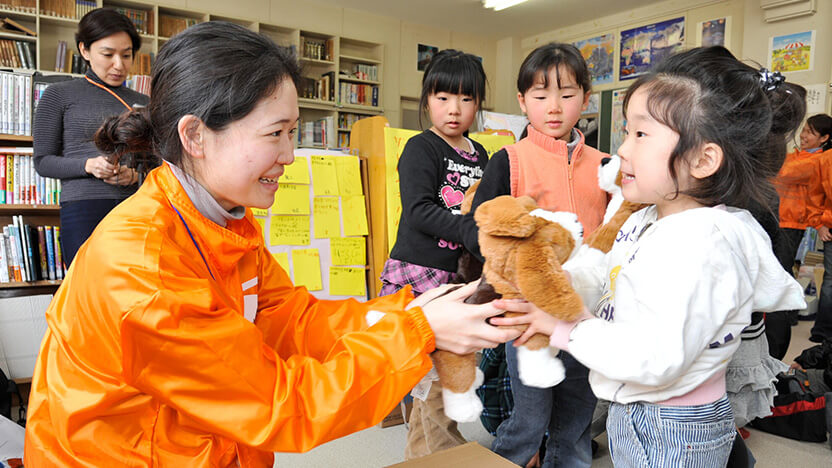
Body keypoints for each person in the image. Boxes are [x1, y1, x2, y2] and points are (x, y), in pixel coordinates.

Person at [23, 22, 522, 467]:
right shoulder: (142, 267)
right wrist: (416, 333)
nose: (289, 153)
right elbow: (282, 406)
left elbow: (290, 319)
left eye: (294, 131)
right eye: (276, 133)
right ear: (195, 135)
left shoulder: (221, 221)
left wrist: (411, 313)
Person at [492, 46, 808, 468]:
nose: (622, 151)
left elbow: (652, 358)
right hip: (642, 411)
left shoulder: (701, 245)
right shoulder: (651, 218)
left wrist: (563, 329)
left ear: (702, 159)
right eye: (627, 132)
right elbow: (612, 279)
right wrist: (557, 292)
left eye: (641, 135)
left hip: (671, 426)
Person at [459, 42, 609, 468]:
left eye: (566, 94)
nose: (554, 107)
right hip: (526, 312)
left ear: (586, 97)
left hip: (585, 310)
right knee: (529, 415)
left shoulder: (606, 164)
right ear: (523, 101)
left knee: (578, 414)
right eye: (541, 96)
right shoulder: (510, 159)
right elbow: (479, 232)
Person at [378, 48, 490, 460]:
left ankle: (425, 456)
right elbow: (420, 210)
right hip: (421, 274)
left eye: (465, 99)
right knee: (440, 378)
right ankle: (443, 455)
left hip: (459, 277)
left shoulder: (481, 155)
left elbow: (486, 208)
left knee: (444, 378)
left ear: (478, 103)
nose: (454, 109)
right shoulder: (421, 148)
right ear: (427, 100)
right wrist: (469, 229)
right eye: (443, 98)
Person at [33, 8, 152, 266]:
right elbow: (43, 162)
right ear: (85, 50)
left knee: (136, 290)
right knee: (84, 289)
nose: (119, 65)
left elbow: (160, 163)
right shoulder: (58, 95)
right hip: (84, 206)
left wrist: (136, 176)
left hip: (137, 206)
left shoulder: (144, 103)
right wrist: (88, 166)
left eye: (127, 55)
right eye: (108, 54)